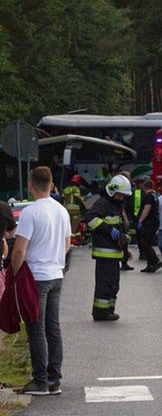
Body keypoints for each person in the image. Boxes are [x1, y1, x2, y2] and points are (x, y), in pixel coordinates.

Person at [12, 167, 71, 395]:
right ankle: (54, 378)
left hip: (36, 276)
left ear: (30, 185)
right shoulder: (61, 211)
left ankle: (39, 380)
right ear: (52, 184)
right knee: (53, 328)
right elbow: (67, 244)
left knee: (35, 328)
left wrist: (15, 273)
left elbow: (19, 250)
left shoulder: (30, 212)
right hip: (56, 274)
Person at [84, 175, 131, 321]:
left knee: (113, 285)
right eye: (119, 195)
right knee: (105, 285)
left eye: (123, 196)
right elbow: (90, 218)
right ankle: (100, 313)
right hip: (105, 254)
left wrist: (125, 248)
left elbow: (118, 228)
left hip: (113, 254)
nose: (121, 198)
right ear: (112, 191)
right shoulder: (103, 203)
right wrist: (108, 229)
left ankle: (109, 310)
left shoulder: (114, 205)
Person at [137, 179, 162, 273]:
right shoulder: (155, 195)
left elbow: (146, 209)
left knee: (145, 243)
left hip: (149, 223)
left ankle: (155, 261)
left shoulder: (148, 196)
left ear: (144, 186)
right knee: (146, 243)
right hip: (154, 221)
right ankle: (150, 264)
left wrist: (140, 220)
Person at [118, 171, 135, 271]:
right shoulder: (123, 190)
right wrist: (126, 220)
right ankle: (123, 262)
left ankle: (123, 261)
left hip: (125, 217)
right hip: (123, 219)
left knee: (124, 241)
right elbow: (122, 207)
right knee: (124, 241)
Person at [61, 174, 84, 239]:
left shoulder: (66, 189)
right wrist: (84, 198)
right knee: (74, 225)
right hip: (74, 210)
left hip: (66, 209)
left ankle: (68, 238)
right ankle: (73, 239)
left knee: (68, 224)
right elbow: (78, 197)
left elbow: (62, 198)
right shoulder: (76, 189)